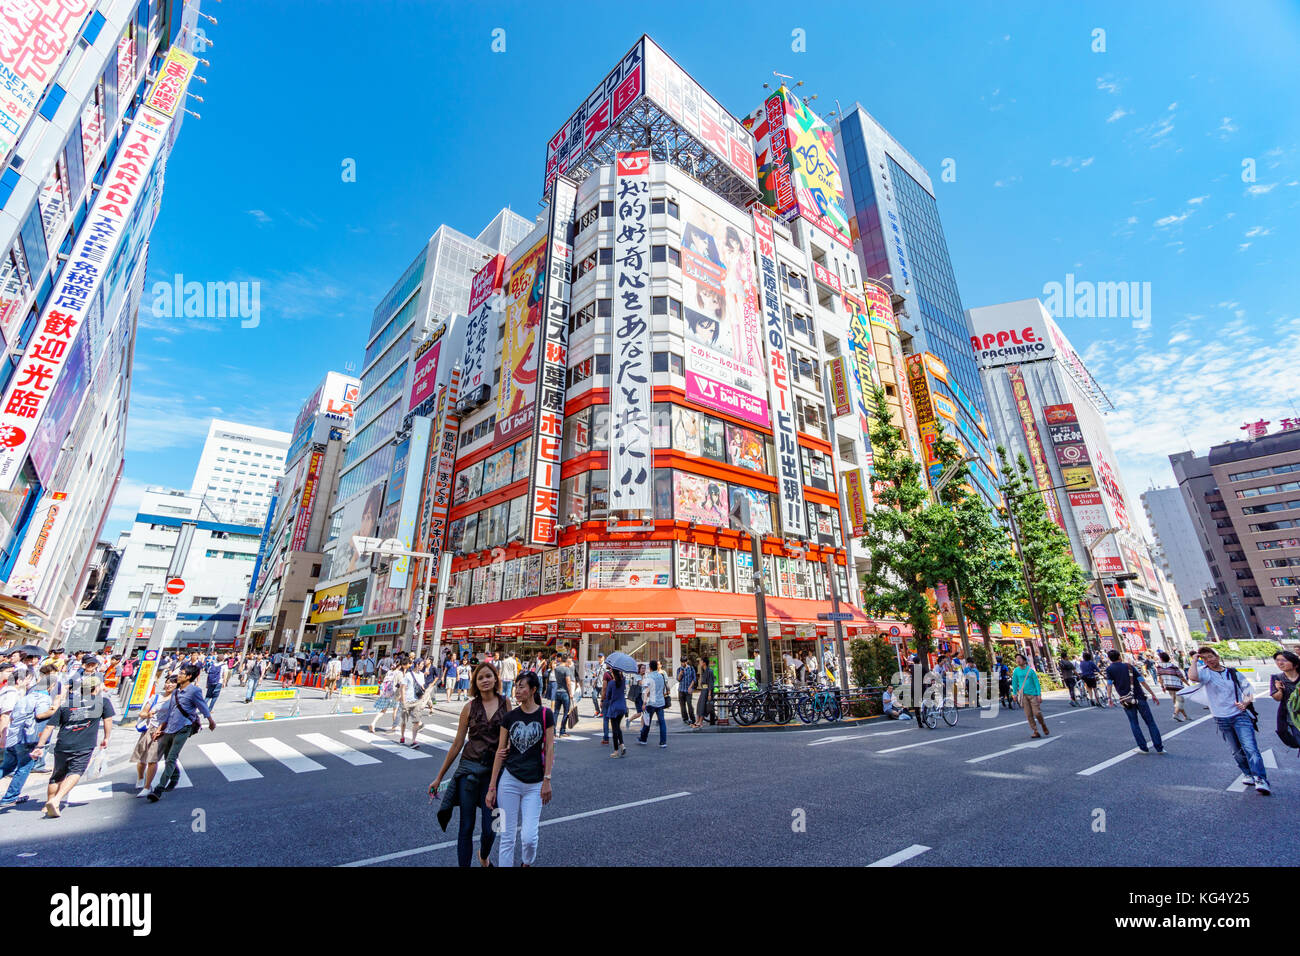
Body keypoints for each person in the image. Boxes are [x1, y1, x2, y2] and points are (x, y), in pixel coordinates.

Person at [432, 661, 504, 867]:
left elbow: (507, 739)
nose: (485, 680)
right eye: (480, 678)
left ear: (496, 679)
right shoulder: (469, 707)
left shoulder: (505, 703)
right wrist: (439, 777)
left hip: (494, 773)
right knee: (466, 826)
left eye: (488, 676)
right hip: (468, 771)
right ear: (475, 683)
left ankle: (483, 855)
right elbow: (457, 744)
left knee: (492, 828)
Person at [486, 672, 554, 867]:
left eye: (522, 686)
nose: (517, 690)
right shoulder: (509, 717)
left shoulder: (545, 714)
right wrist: (492, 787)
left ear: (533, 690)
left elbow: (549, 749)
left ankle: (527, 862)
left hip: (535, 784)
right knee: (506, 836)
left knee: (529, 837)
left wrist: (547, 779)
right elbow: (500, 750)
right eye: (516, 686)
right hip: (509, 781)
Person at [30, 670, 116, 818]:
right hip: (84, 744)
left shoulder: (67, 704)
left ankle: (48, 803)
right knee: (76, 772)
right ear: (96, 688)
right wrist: (107, 737)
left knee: (57, 774)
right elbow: (108, 721)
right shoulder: (103, 702)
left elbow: (50, 726)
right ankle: (57, 800)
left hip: (63, 744)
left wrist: (40, 746)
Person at [1188, 646, 1270, 794]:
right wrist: (1194, 660)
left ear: (1217, 656)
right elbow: (1192, 677)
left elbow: (1249, 691)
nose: (1209, 660)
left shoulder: (1232, 672)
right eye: (1205, 658)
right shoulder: (1205, 674)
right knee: (1236, 750)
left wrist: (1245, 703)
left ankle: (1260, 778)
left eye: (1211, 656)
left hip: (1240, 715)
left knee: (1250, 747)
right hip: (1221, 717)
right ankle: (1247, 773)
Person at [146, 664, 217, 802]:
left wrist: (210, 721)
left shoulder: (194, 691)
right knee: (168, 758)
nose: (178, 676)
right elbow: (171, 711)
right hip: (170, 727)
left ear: (189, 676)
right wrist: (161, 728)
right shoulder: (176, 691)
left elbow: (202, 706)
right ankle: (175, 776)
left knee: (171, 757)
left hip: (184, 727)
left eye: (182, 673)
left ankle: (159, 789)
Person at [1, 667, 57, 808]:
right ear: (51, 686)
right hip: (27, 738)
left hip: (14, 735)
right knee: (24, 767)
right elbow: (40, 714)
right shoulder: (44, 698)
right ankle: (10, 797)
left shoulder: (25, 697)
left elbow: (13, 716)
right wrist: (54, 710)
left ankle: (11, 796)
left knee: (7, 766)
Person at [1104, 649, 1164, 755]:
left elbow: (1109, 684)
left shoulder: (1109, 669)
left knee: (1134, 723)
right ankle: (1159, 747)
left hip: (1126, 699)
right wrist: (1152, 694)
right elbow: (1142, 680)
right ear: (1119, 657)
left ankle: (1143, 747)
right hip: (1139, 696)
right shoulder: (1129, 666)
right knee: (1150, 722)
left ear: (1110, 659)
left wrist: (1109, 698)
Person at [132, 675, 177, 797]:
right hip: (148, 729)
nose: (169, 685)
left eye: (173, 683)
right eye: (168, 682)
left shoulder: (176, 699)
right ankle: (141, 778)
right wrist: (148, 714)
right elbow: (142, 712)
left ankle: (147, 786)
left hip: (162, 731)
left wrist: (162, 728)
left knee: (152, 759)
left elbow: (173, 716)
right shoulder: (156, 697)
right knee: (142, 759)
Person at [1011, 653, 1049, 738]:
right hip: (1023, 695)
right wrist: (1014, 694)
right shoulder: (1016, 671)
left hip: (1033, 694)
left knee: (1037, 713)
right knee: (1028, 714)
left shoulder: (1030, 671)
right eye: (1016, 658)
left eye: (1019, 658)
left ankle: (1043, 725)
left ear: (1024, 661)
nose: (1018, 660)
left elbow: (1036, 683)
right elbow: (1014, 683)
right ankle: (1035, 731)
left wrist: (1039, 694)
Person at [1268, 650, 1300, 752]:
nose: (1280, 663)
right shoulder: (1276, 678)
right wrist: (1279, 689)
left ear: (1294, 664)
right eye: (1277, 660)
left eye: (1284, 660)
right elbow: (1277, 698)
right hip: (1293, 719)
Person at [637, 659, 669, 748]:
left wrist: (644, 703)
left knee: (647, 721)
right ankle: (663, 742)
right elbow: (663, 689)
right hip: (660, 702)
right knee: (662, 722)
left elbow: (646, 691)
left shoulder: (649, 677)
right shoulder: (661, 676)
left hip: (651, 702)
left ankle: (643, 739)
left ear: (650, 667)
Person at [1155, 651, 1190, 721]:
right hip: (1177, 686)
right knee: (1180, 702)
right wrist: (1188, 685)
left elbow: (1160, 678)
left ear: (1161, 659)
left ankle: (1186, 716)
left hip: (1169, 686)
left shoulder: (1159, 667)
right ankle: (1175, 714)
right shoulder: (1173, 666)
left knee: (1176, 703)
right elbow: (1181, 677)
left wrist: (1162, 686)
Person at [604, 665, 628, 757]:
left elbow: (608, 696)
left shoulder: (611, 684)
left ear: (613, 673)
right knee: (618, 727)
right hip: (622, 707)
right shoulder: (623, 681)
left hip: (614, 708)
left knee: (614, 730)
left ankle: (616, 751)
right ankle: (622, 745)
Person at [371, 663, 401, 734]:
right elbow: (399, 684)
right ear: (399, 666)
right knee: (395, 710)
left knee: (383, 711)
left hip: (386, 693)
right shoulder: (399, 673)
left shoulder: (389, 672)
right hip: (394, 694)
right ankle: (393, 727)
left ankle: (373, 723)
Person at [551, 654, 574, 736]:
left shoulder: (556, 668)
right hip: (565, 693)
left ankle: (553, 731)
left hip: (557, 691)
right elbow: (568, 682)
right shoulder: (566, 669)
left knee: (556, 712)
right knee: (566, 712)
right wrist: (571, 693)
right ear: (566, 660)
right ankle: (562, 731)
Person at [694, 657, 715, 729]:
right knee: (699, 705)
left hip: (707, 691)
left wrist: (709, 694)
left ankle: (700, 722)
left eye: (701, 661)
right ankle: (697, 721)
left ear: (704, 663)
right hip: (703, 690)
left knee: (703, 706)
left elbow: (710, 683)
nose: (699, 663)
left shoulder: (709, 671)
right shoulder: (704, 670)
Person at [676, 657, 697, 726]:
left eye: (684, 662)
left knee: (689, 704)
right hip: (681, 690)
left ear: (687, 661)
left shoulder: (691, 668)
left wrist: (690, 687)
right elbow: (678, 679)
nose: (683, 663)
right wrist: (680, 674)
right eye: (682, 662)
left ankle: (692, 719)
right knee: (682, 706)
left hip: (688, 690)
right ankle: (685, 719)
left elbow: (694, 679)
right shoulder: (679, 669)